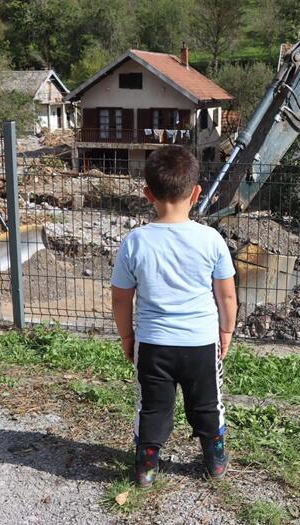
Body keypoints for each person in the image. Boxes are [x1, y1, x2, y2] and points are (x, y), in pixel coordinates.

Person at [110, 146, 237, 488]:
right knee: (208, 403)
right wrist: (225, 331)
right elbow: (226, 295)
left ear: (147, 193)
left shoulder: (134, 242)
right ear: (196, 193)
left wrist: (127, 337)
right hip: (200, 342)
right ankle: (215, 458)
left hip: (153, 345)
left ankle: (147, 464)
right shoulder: (211, 240)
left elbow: (122, 299)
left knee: (152, 407)